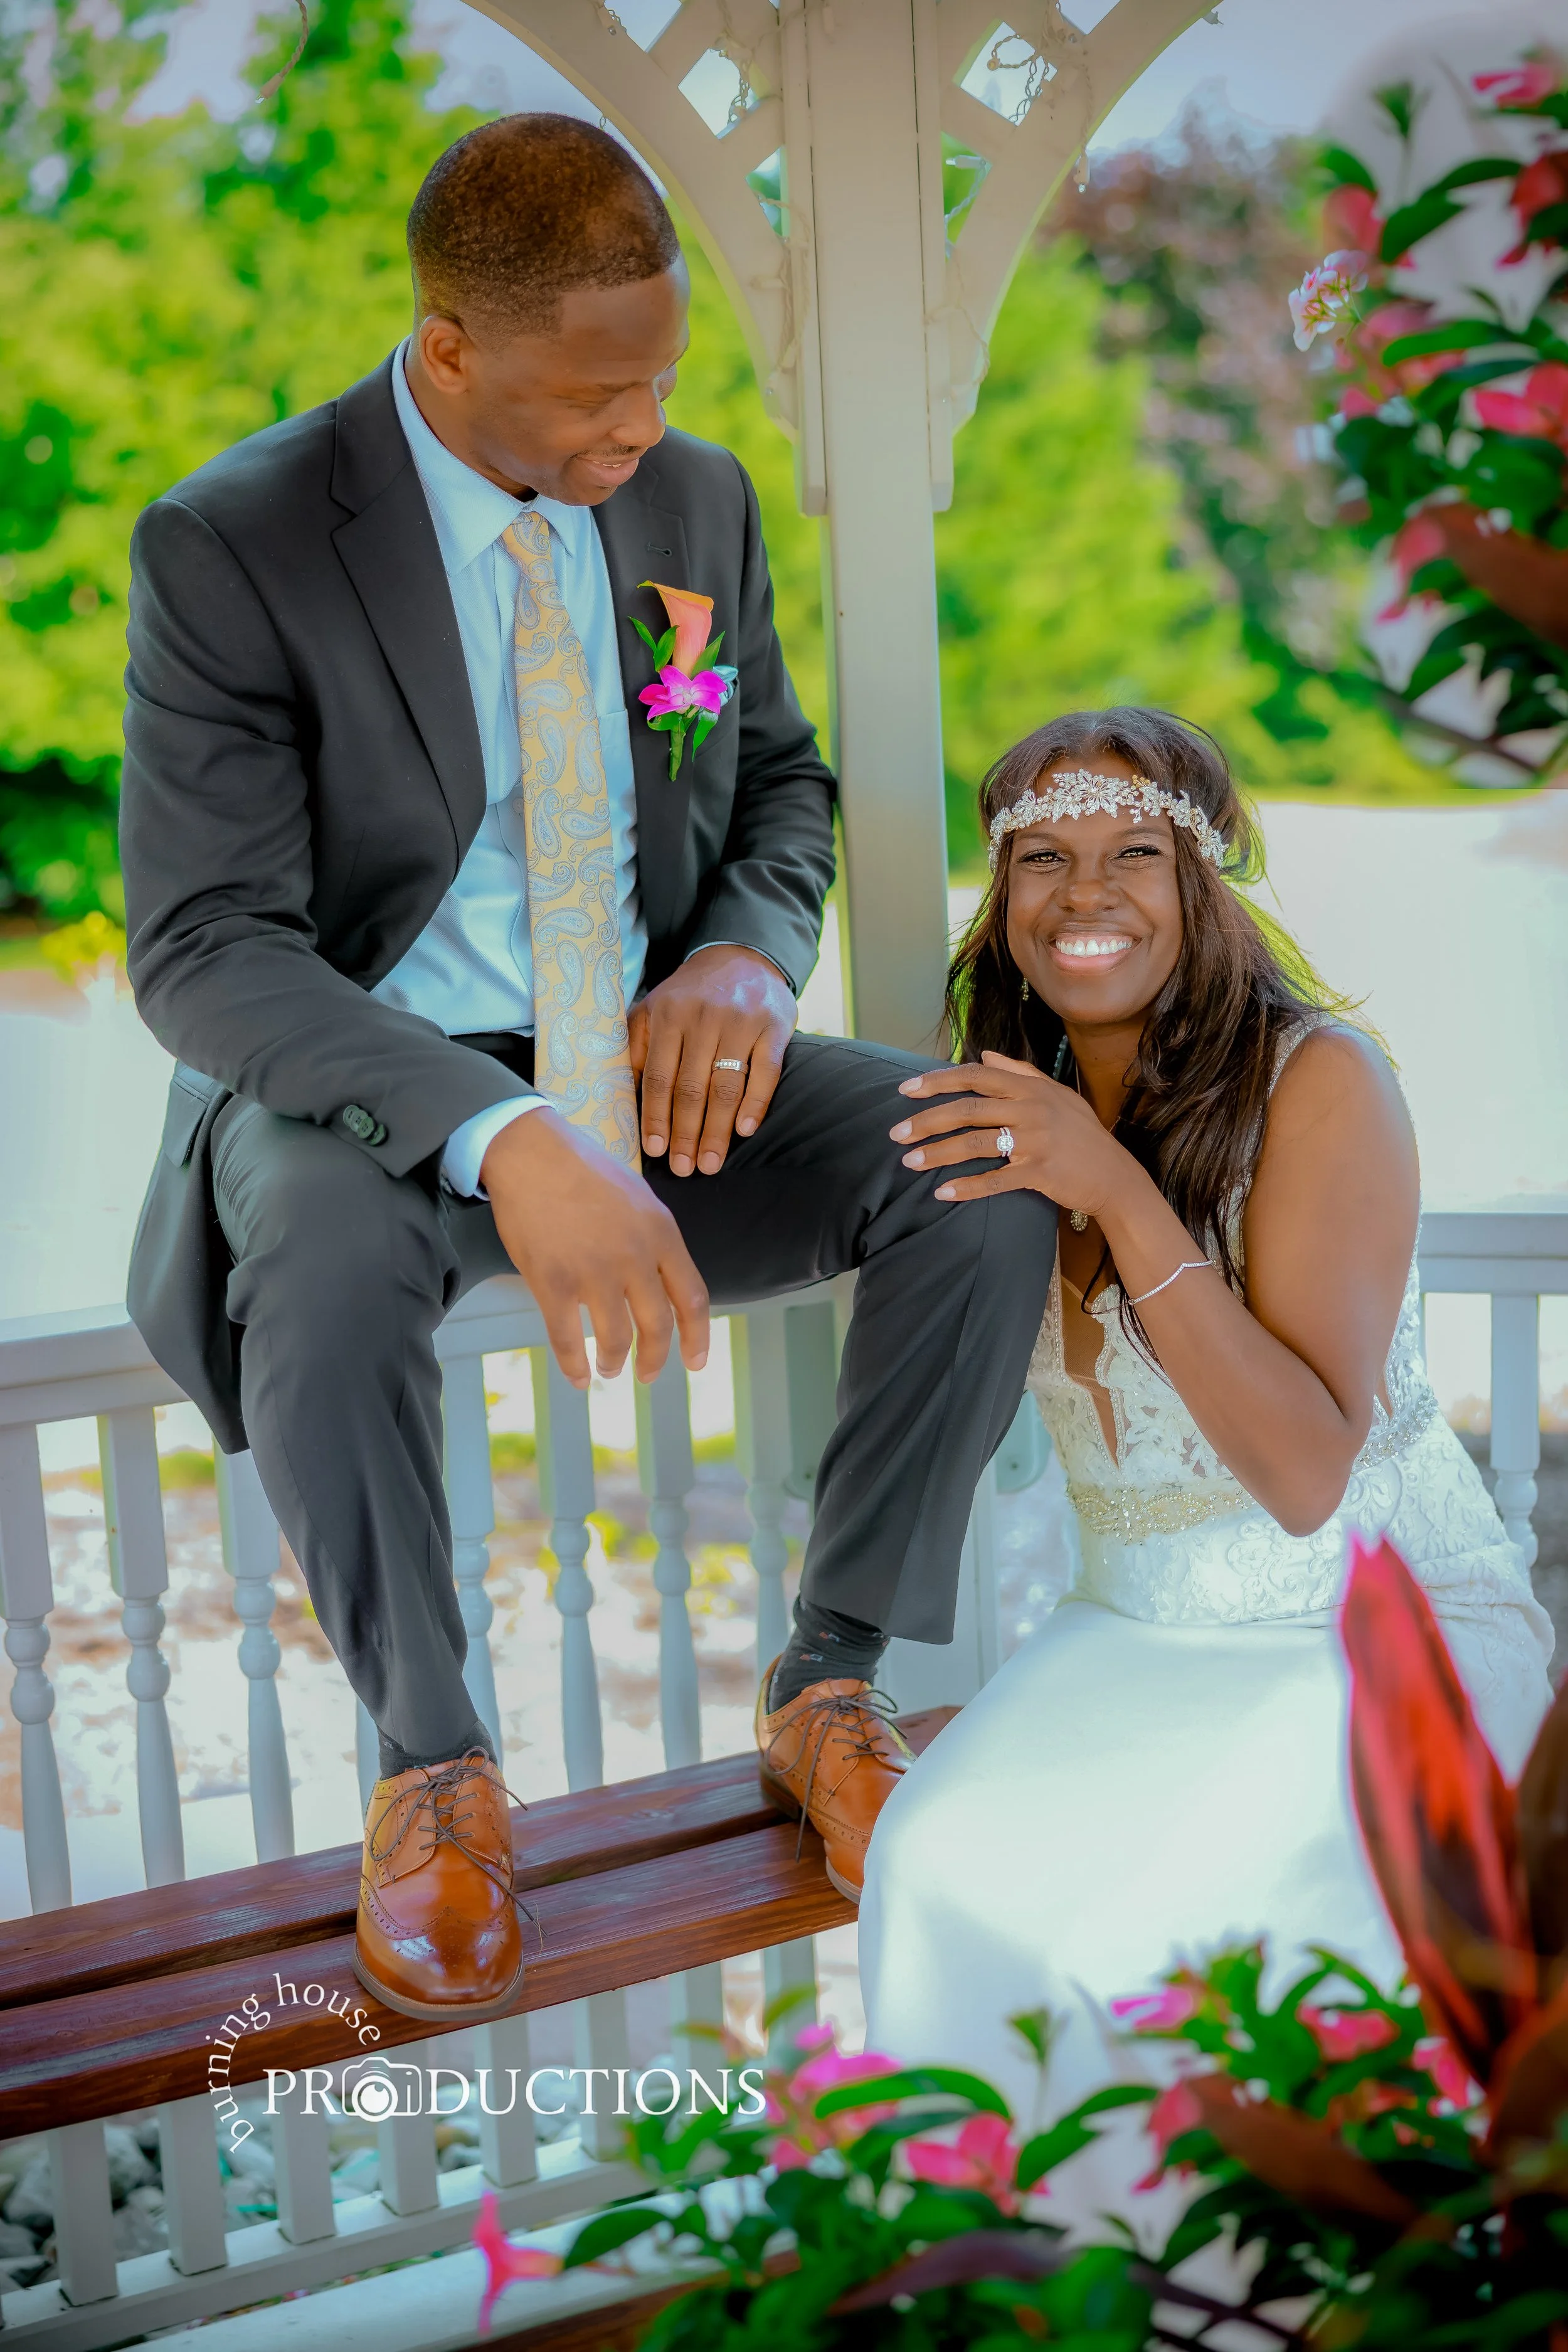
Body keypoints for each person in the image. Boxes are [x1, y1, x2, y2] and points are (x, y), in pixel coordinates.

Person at [119, 114, 1054, 2026]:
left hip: (661, 1063)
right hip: (368, 1084)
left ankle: (830, 1683)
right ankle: (435, 1766)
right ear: (451, 347)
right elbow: (205, 945)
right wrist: (501, 1127)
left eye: (664, 380)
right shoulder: (239, 540)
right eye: (597, 395)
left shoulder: (690, 507)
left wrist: (739, 951)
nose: (640, 433)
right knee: (310, 1237)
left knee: (988, 1161)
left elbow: (767, 777)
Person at [858, 706, 1554, 2158]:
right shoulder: (993, 1106)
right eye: (1038, 856)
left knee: (1140, 1937)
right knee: (933, 1861)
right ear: (1001, 900)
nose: (1084, 894)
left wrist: (1107, 1186)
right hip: (1127, 1628)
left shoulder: (1319, 1085)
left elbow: (1306, 1477)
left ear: (1203, 886)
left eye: (1134, 853)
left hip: (1366, 1632)